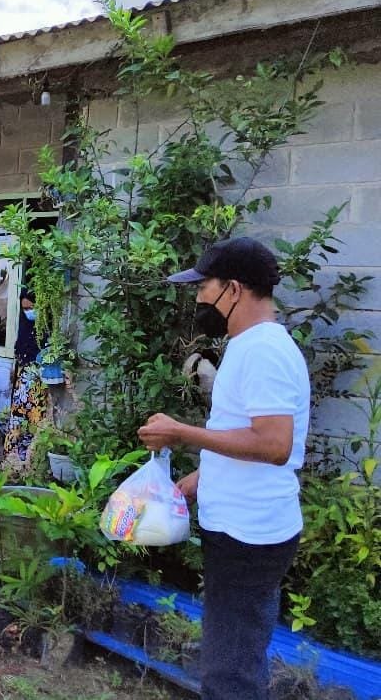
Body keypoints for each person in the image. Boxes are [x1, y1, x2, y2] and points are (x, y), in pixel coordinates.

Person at [137, 237, 309, 700]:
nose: (198, 298)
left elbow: (274, 445)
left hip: (249, 537)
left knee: (229, 676)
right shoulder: (251, 346)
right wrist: (184, 487)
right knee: (234, 659)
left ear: (233, 289)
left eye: (204, 286)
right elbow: (245, 443)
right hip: (244, 530)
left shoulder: (262, 351)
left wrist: (182, 433)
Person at [2, 289, 49, 462]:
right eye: (25, 309)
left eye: (32, 308)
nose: (29, 312)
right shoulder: (24, 328)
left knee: (35, 425)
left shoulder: (46, 331)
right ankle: (12, 464)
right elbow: (19, 352)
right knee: (17, 423)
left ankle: (31, 463)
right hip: (21, 387)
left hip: (37, 387)